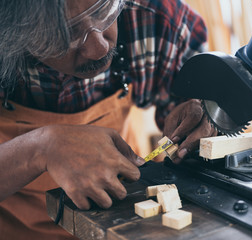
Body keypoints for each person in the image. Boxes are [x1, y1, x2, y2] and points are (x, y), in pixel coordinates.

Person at [0, 0, 216, 239]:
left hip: (128, 226)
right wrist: (39, 148)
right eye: (67, 34)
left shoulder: (154, 17)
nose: (100, 48)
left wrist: (205, 116)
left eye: (104, 12)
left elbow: (203, 108)